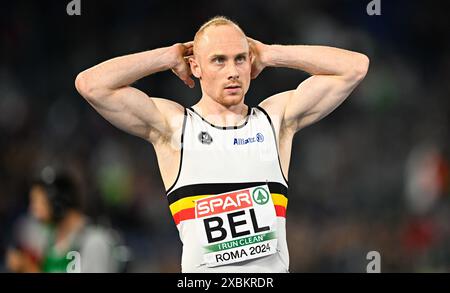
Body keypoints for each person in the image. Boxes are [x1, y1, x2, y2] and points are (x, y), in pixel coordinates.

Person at [75, 16, 369, 273]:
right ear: (195, 66)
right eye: (219, 60)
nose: (233, 71)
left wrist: (271, 53)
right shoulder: (174, 126)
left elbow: (355, 67)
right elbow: (91, 85)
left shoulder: (275, 121)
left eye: (240, 58)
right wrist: (166, 56)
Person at [6, 170, 124, 273]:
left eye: (38, 202)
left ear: (58, 203)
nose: (33, 210)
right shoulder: (48, 240)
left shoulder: (94, 241)